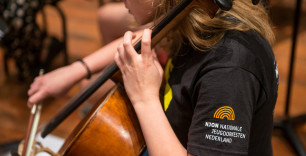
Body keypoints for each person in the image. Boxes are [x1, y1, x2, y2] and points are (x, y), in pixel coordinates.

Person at [28, 0, 279, 155]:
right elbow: (143, 35)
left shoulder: (230, 69)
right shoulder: (191, 12)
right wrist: (77, 69)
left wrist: (145, 98)